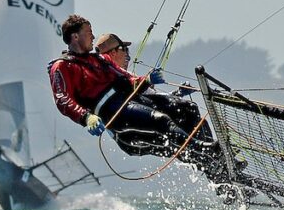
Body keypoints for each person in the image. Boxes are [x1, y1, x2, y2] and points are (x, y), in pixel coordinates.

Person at [48, 15, 224, 179]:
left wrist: (146, 80)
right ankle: (206, 151)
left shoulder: (100, 60)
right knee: (161, 122)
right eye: (89, 32)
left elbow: (127, 78)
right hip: (112, 111)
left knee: (187, 109)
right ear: (75, 37)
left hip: (129, 100)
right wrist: (86, 117)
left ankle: (219, 168)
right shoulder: (62, 66)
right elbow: (62, 99)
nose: (93, 37)